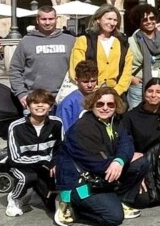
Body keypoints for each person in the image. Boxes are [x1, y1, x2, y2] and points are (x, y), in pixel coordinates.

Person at [55, 87, 147, 225]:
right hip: (80, 182)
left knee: (140, 162)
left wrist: (120, 160)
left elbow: (126, 143)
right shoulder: (83, 127)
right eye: (100, 104)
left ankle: (120, 201)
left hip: (102, 174)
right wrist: (119, 160)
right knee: (114, 217)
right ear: (92, 105)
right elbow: (96, 162)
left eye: (110, 104)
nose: (105, 108)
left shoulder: (115, 121)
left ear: (116, 106)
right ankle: (73, 206)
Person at [5, 89, 63, 217]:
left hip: (45, 166)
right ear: (28, 106)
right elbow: (14, 158)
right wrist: (43, 161)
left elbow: (61, 148)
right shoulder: (16, 126)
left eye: (45, 103)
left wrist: (55, 162)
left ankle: (36, 191)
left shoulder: (57, 123)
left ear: (50, 107)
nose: (40, 105)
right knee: (27, 177)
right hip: (22, 166)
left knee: (51, 206)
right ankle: (14, 198)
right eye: (35, 103)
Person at [9, 5, 75, 106]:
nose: (47, 22)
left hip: (65, 96)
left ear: (56, 19)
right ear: (37, 20)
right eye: (43, 19)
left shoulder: (70, 41)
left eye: (51, 19)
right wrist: (21, 93)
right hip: (35, 97)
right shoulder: (26, 42)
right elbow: (15, 69)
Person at [68, 5, 133, 96]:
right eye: (109, 19)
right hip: (90, 94)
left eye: (115, 20)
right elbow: (77, 67)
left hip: (116, 94)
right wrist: (94, 89)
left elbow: (127, 72)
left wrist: (117, 91)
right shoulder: (84, 40)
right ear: (98, 19)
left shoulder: (123, 43)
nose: (112, 23)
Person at [125, 4, 160, 110]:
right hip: (139, 85)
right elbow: (126, 63)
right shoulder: (131, 41)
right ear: (139, 22)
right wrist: (131, 78)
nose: (149, 21)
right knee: (137, 115)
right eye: (145, 19)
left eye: (152, 18)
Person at [57, 61, 98, 132]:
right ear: (76, 80)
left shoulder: (100, 98)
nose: (90, 85)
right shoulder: (67, 103)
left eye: (93, 81)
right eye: (85, 82)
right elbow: (64, 131)